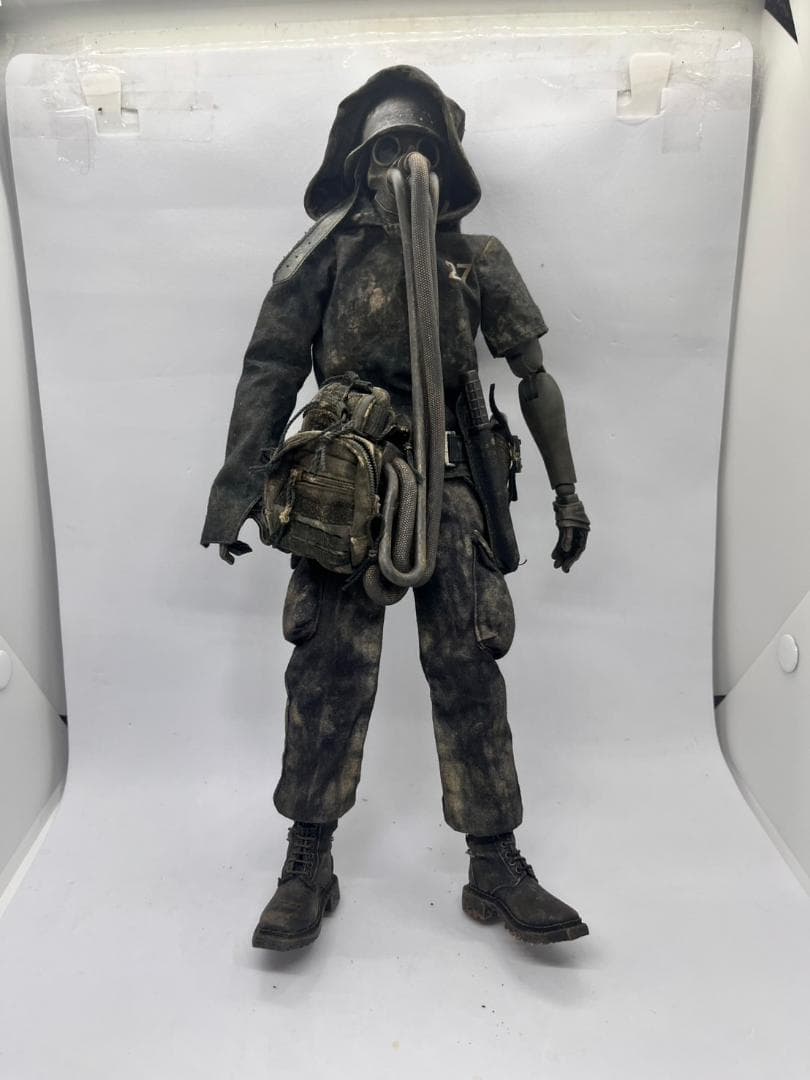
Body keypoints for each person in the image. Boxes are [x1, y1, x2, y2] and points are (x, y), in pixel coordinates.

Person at [202, 65, 590, 951]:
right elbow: (270, 366)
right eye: (387, 148)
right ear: (358, 163)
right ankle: (308, 858)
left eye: (421, 146)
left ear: (444, 163)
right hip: (343, 490)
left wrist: (567, 491)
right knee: (328, 670)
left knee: (470, 664)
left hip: (449, 487)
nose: (405, 162)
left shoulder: (476, 259)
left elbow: (533, 375)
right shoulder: (324, 256)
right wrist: (237, 492)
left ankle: (495, 862)